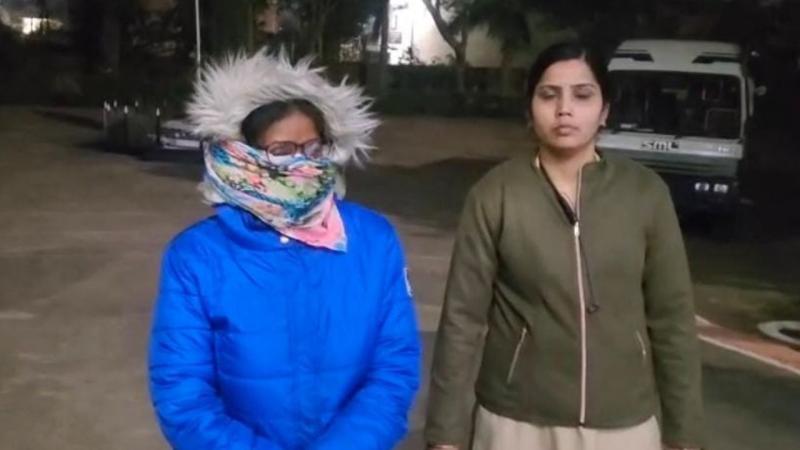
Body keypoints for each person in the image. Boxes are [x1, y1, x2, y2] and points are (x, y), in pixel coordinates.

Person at [424, 41, 703, 450]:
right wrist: (445, 435)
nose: (564, 109)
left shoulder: (645, 193)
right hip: (514, 423)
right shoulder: (496, 194)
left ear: (605, 110)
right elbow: (462, 321)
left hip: (623, 425)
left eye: (582, 95)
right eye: (548, 95)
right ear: (530, 107)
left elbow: (672, 319)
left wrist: (685, 433)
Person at [148, 51, 421, 450]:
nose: (302, 166)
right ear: (241, 155)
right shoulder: (196, 258)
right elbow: (183, 396)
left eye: (312, 149)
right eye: (281, 151)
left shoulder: (373, 241)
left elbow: (394, 369)